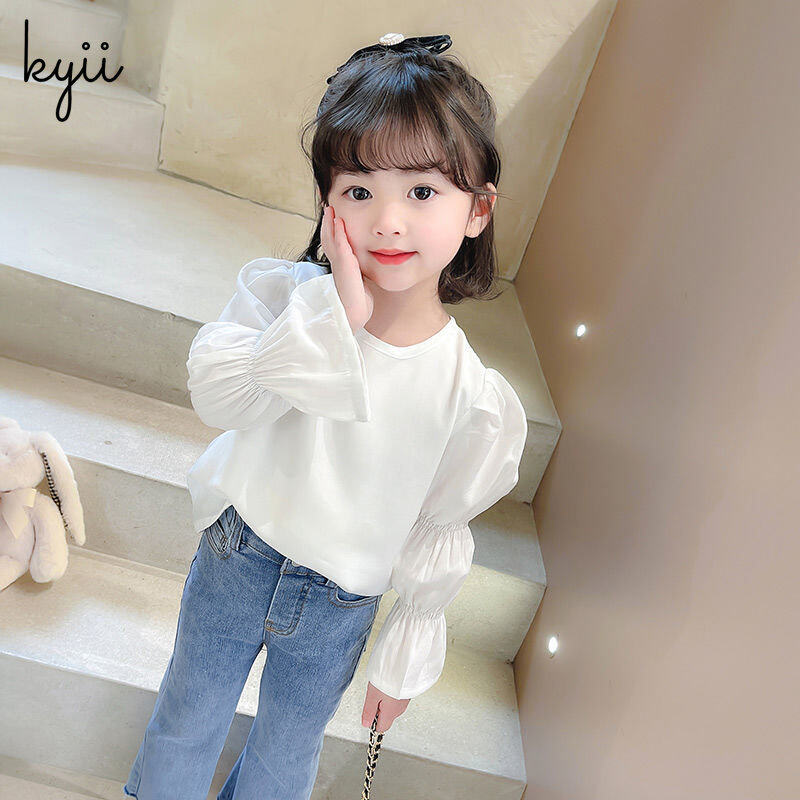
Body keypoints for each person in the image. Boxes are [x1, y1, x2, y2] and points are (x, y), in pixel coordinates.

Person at [123, 32, 528, 800]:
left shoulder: (471, 397)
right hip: (238, 555)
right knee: (186, 720)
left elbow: (439, 530)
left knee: (286, 759)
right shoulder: (284, 302)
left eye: (422, 191)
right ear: (327, 201)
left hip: (339, 605)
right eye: (359, 190)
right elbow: (221, 399)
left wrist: (401, 666)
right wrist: (334, 315)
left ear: (478, 209)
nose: (388, 222)